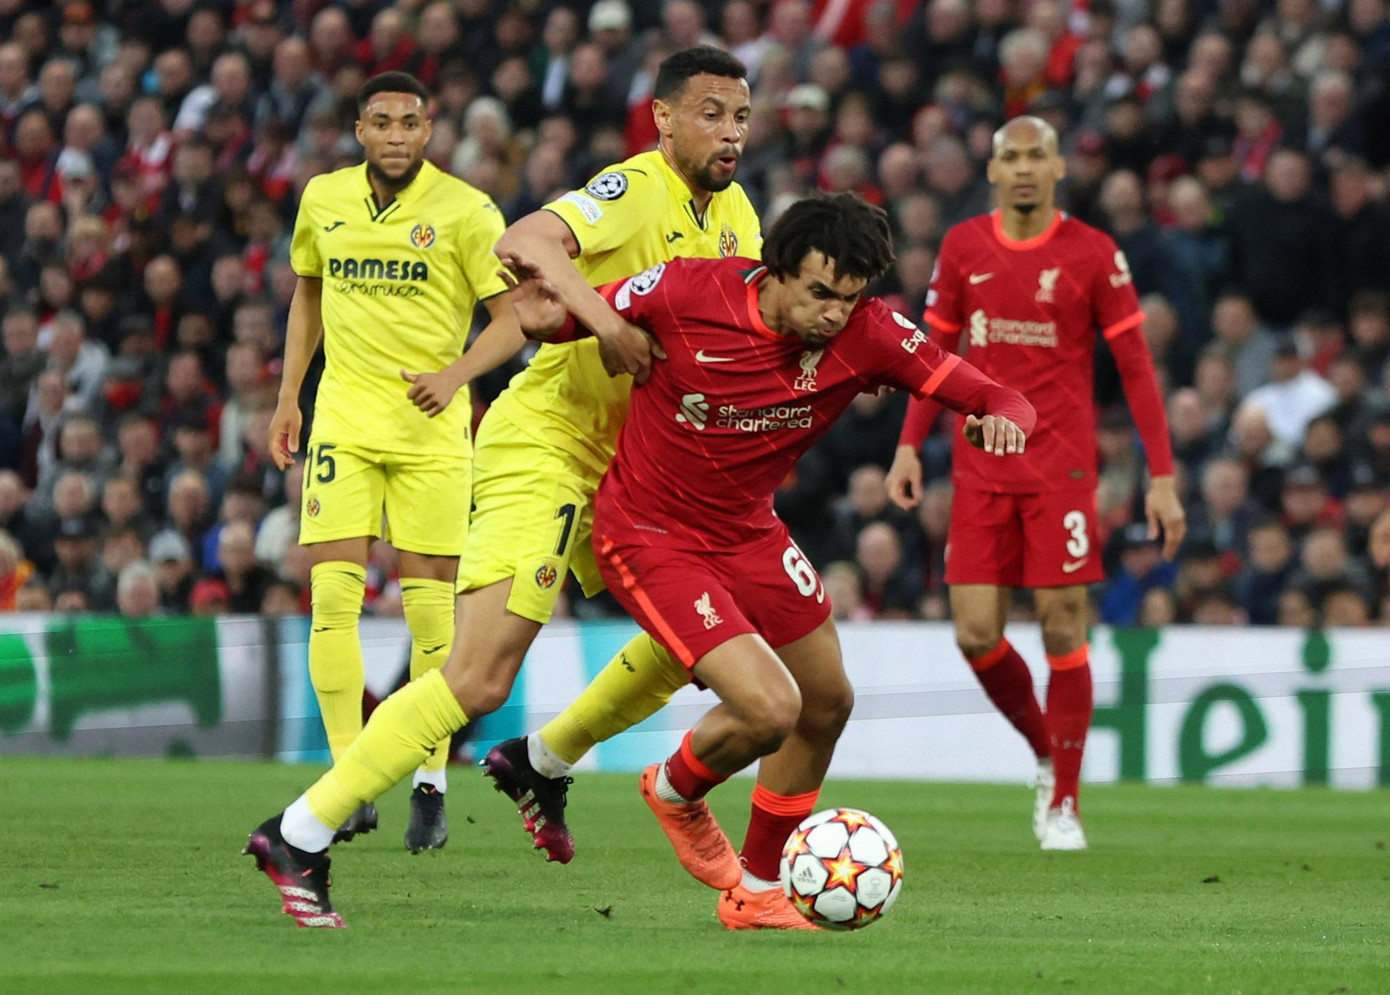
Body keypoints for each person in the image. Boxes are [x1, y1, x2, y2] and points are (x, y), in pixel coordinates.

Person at [244, 194, 1035, 930]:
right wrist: (540, 310)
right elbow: (553, 319)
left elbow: (995, 393)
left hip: (747, 530)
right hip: (649, 530)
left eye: (850, 296)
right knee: (766, 708)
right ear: (777, 269)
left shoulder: (869, 330)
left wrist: (1004, 419)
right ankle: (674, 790)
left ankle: (756, 890)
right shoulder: (690, 290)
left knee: (827, 701)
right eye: (821, 291)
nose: (835, 313)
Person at [401, 47, 764, 866]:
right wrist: (604, 322)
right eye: (710, 112)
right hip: (549, 443)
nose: (730, 131)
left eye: (740, 115)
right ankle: (311, 821)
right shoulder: (633, 189)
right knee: (481, 675)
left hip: (634, 471)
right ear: (663, 118)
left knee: (696, 639)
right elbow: (526, 241)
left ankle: (541, 760)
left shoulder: (740, 214)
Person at [885, 116, 1185, 851]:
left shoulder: (1093, 252)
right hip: (981, 466)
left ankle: (1067, 805)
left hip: (1061, 469)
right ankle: (1049, 751)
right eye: (1010, 157)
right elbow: (934, 356)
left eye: (1037, 156)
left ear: (1057, 170)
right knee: (975, 633)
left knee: (1061, 626)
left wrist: (1163, 475)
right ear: (992, 171)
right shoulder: (963, 246)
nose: (1023, 168)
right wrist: (908, 448)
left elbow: (1139, 368)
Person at [267, 71, 522, 853]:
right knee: (332, 594)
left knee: (430, 612)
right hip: (344, 419)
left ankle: (430, 781)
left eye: (410, 122)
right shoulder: (324, 199)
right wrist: (289, 397)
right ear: (359, 130)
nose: (397, 136)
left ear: (429, 129)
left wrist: (454, 377)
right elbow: (306, 295)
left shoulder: (468, 212)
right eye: (382, 122)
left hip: (433, 434)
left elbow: (513, 321)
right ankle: (347, 780)